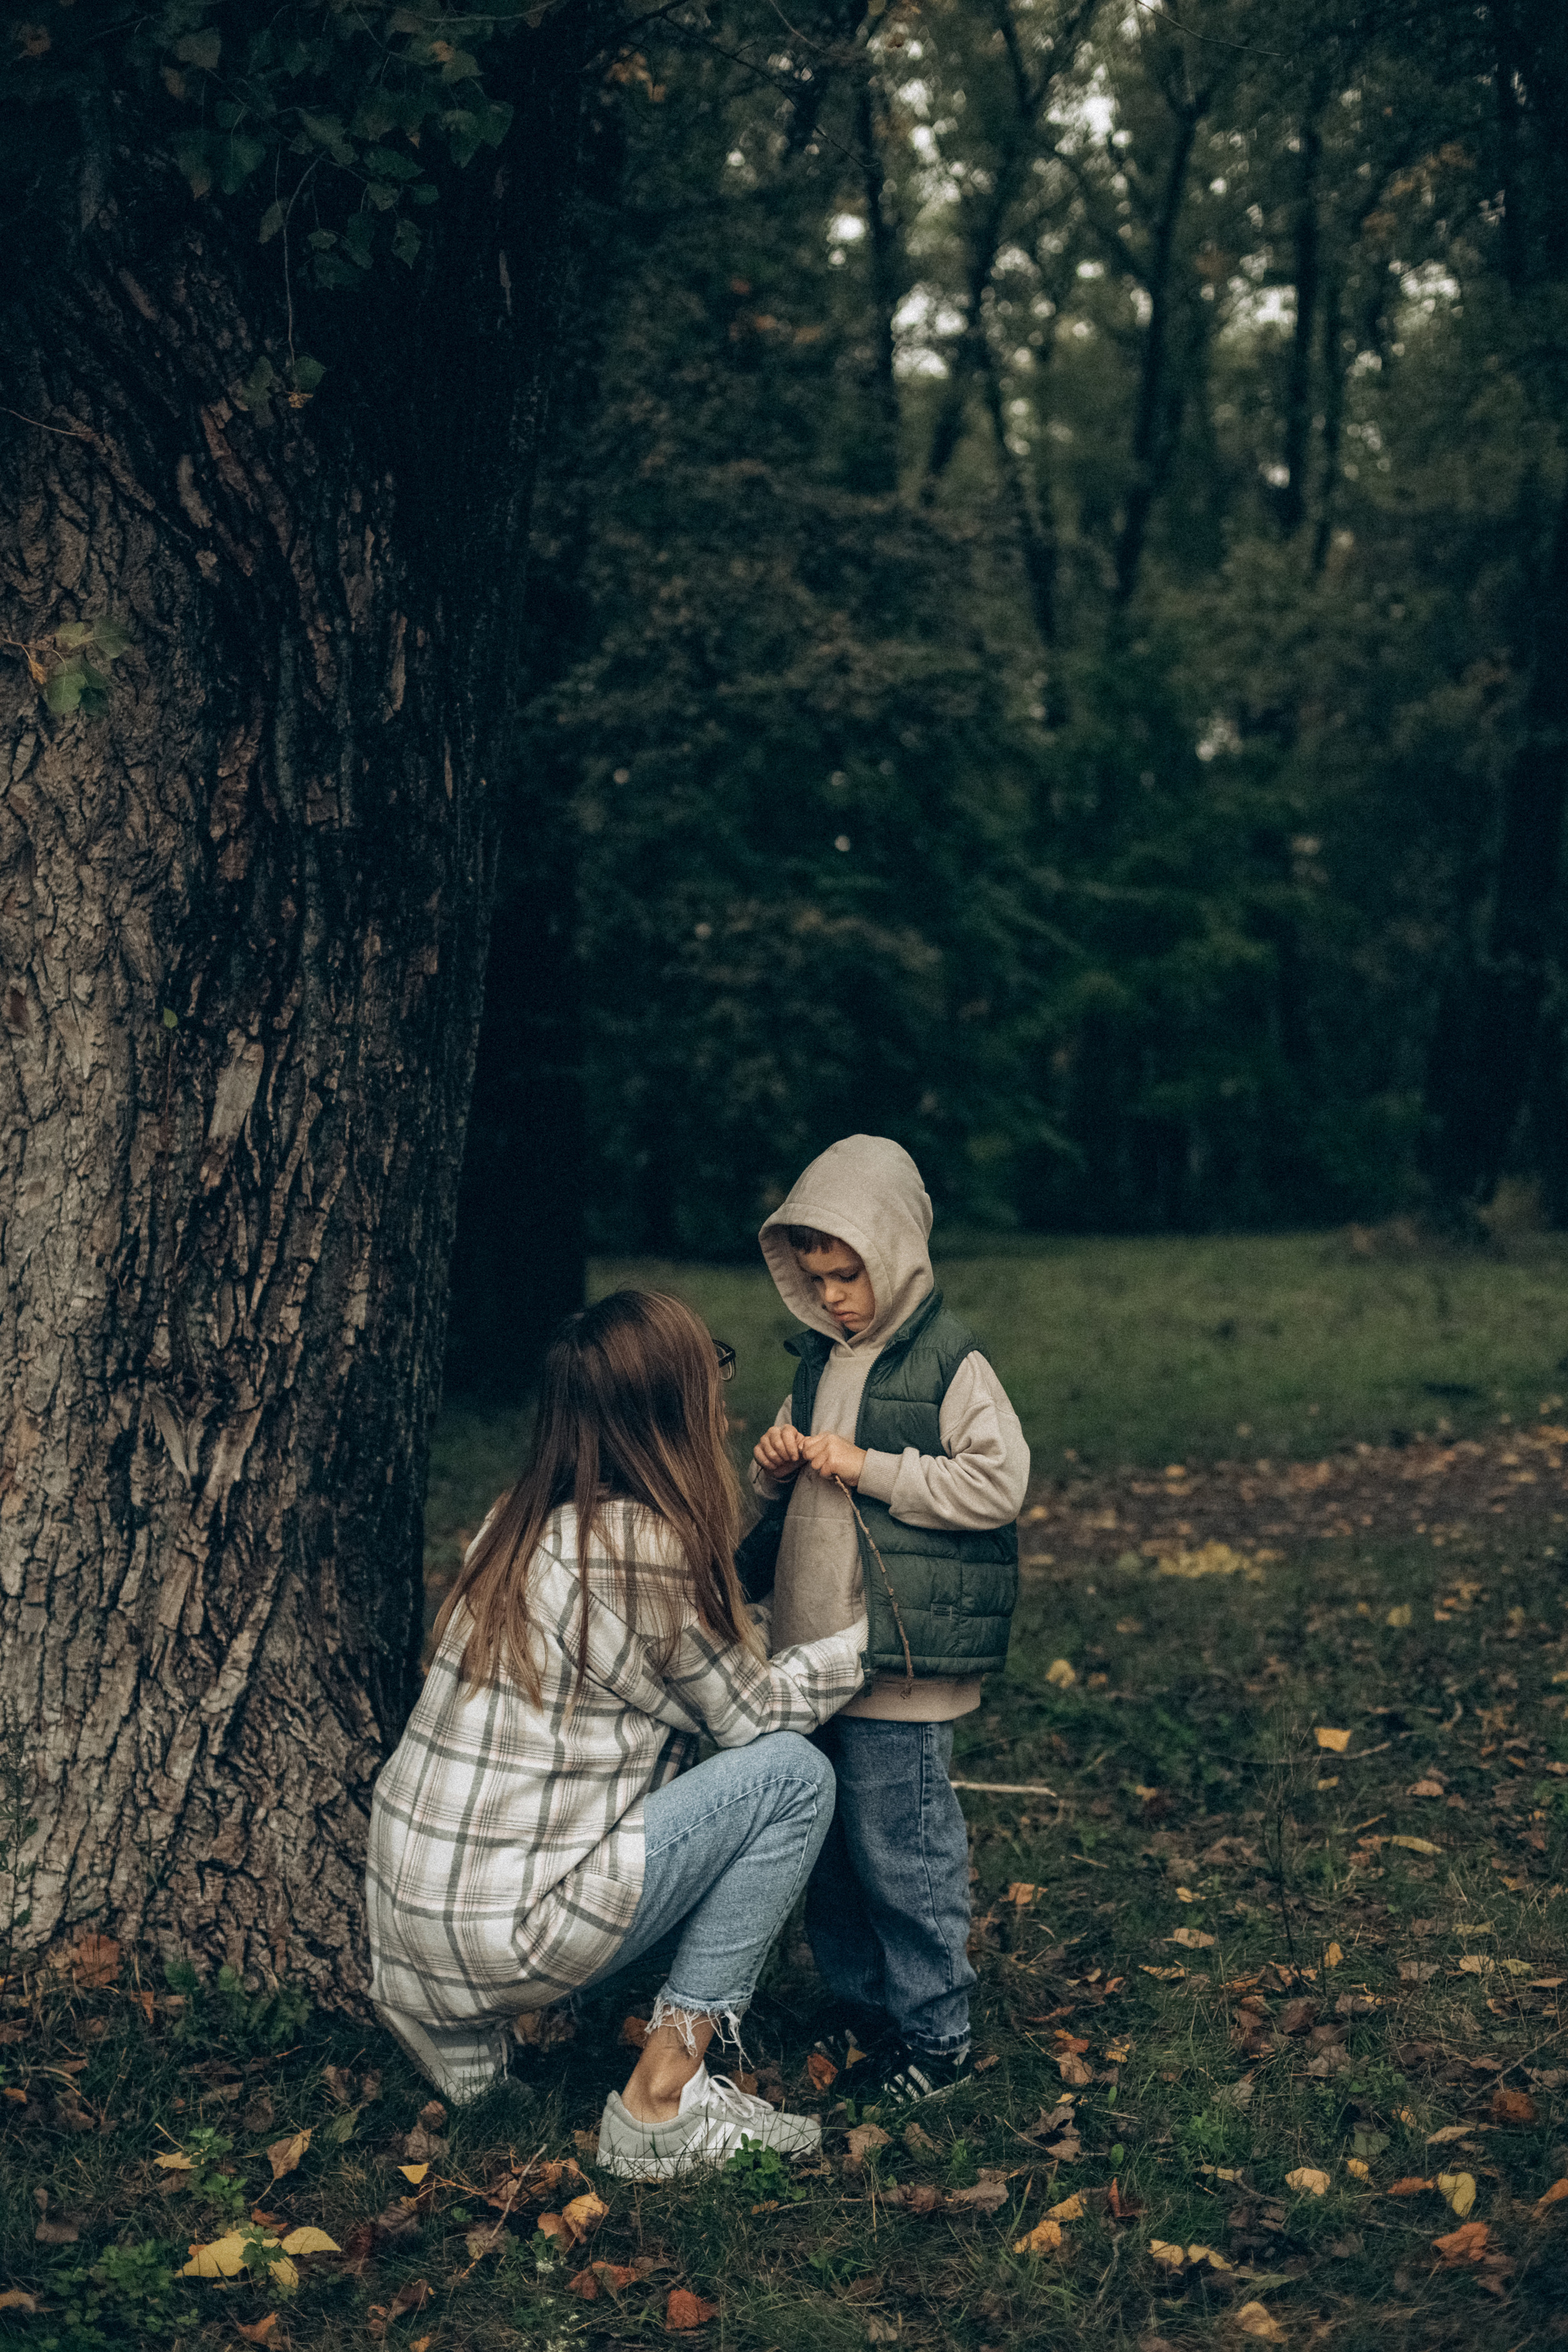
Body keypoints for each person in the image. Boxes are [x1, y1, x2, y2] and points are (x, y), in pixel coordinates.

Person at [366, 1289, 867, 2178]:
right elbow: (752, 1716)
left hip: (407, 1921)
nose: (721, 1387)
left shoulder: (514, 1523)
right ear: (670, 1407)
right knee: (792, 1776)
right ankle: (658, 2103)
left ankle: (472, 2063)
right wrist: (867, 1646)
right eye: (708, 1366)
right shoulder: (642, 1547)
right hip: (508, 1929)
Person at [741, 1135, 1028, 2108]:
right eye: (817, 1279)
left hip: (898, 1657)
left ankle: (936, 2033)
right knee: (828, 1846)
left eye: (849, 1275)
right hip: (811, 1651)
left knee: (901, 1845)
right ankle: (863, 2003)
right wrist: (773, 1463)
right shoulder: (818, 1363)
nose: (834, 1299)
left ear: (898, 1252)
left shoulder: (954, 1363)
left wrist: (876, 1469)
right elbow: (773, 1488)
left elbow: (998, 1482)